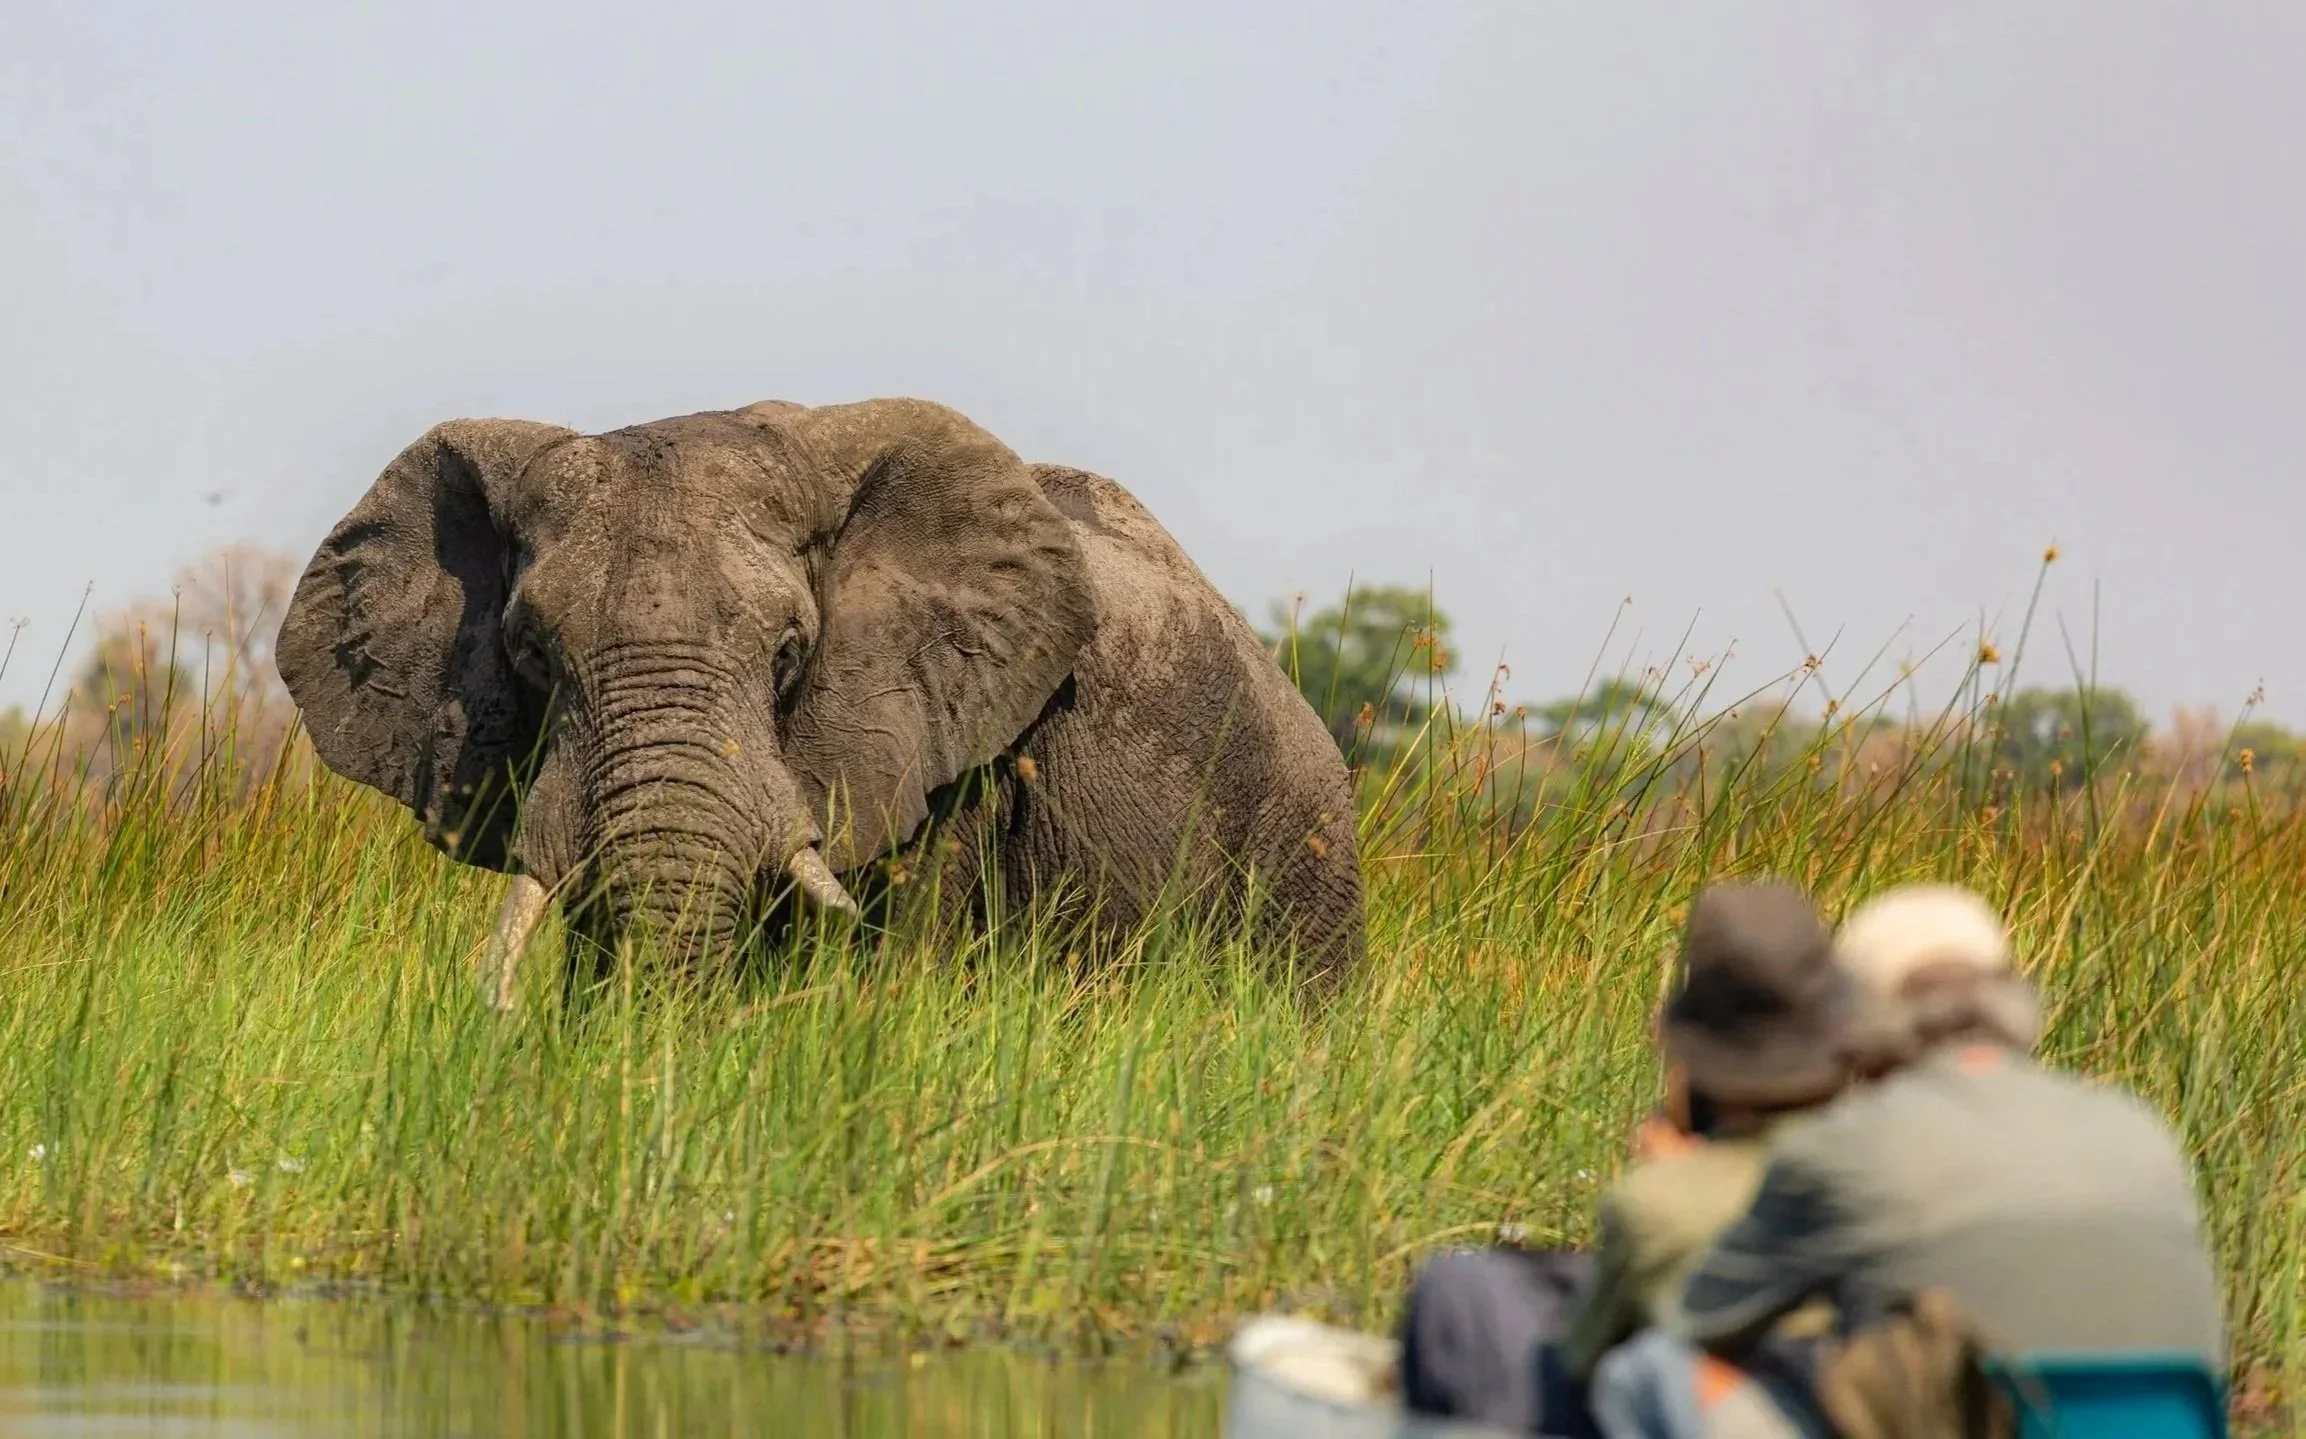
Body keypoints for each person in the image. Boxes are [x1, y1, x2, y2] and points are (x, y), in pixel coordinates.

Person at [1588, 882, 2226, 1438]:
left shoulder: (1846, 1146)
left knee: (1649, 1368)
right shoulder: (2141, 1131)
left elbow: (1695, 1318)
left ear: (1861, 1016)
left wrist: (1673, 1179)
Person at [1397, 877, 1856, 1434]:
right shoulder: (1894, 1172)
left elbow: (1579, 1356)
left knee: (1461, 1288)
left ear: (1694, 1068)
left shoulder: (1660, 1205)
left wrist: (1668, 1180)